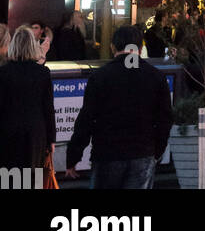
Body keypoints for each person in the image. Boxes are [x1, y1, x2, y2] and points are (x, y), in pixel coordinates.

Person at [65, 24, 172, 189]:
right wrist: (157, 150)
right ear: (141, 46)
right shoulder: (156, 77)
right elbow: (165, 118)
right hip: (142, 152)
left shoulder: (100, 77)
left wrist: (73, 157)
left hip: (107, 153)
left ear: (112, 46)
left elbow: (86, 120)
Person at [0, 26, 55, 177]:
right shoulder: (43, 73)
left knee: (10, 179)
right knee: (32, 178)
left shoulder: (3, 72)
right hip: (35, 135)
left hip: (8, 133)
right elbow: (48, 108)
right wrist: (51, 139)